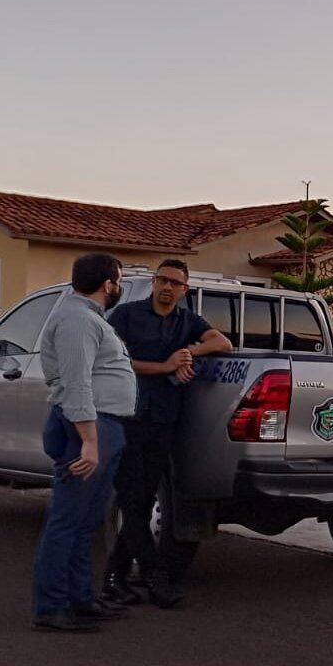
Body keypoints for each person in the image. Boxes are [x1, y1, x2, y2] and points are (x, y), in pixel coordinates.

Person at [100, 259, 231, 609]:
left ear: (184, 289)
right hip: (127, 415)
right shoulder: (126, 315)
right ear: (154, 283)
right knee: (131, 498)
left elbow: (223, 342)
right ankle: (157, 579)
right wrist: (164, 367)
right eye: (163, 280)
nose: (168, 287)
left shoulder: (186, 321)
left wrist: (189, 351)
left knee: (142, 500)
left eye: (176, 282)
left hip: (164, 421)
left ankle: (114, 577)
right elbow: (111, 359)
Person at [30, 253, 136, 632]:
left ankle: (79, 599)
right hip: (87, 428)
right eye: (119, 280)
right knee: (67, 519)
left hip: (101, 426)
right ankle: (51, 606)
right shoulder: (77, 319)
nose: (119, 287)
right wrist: (89, 441)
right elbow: (77, 384)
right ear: (108, 284)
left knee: (84, 520)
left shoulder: (87, 317)